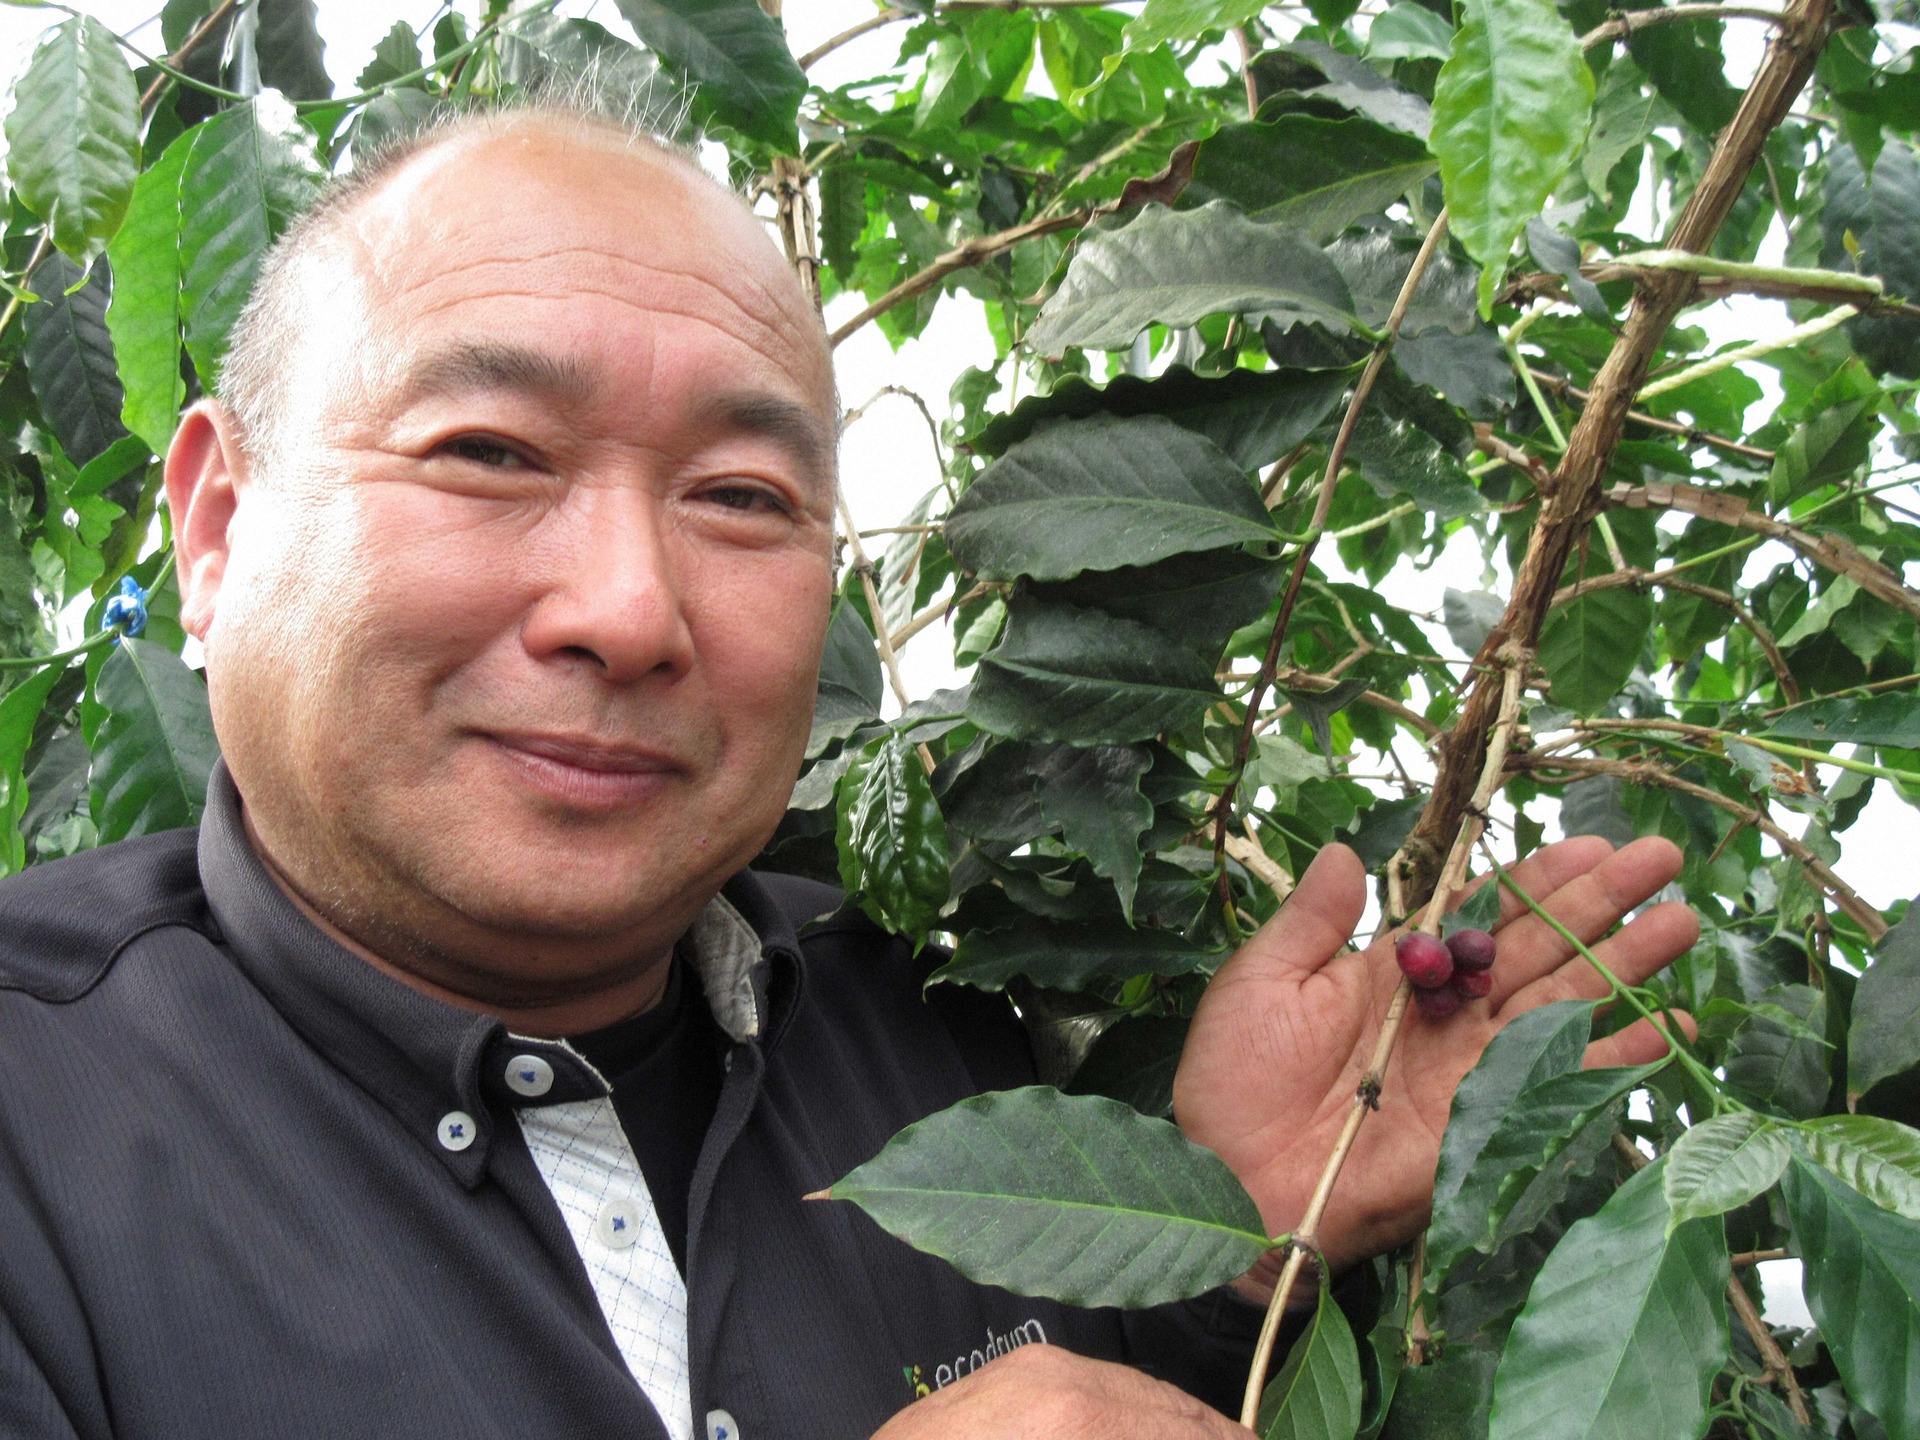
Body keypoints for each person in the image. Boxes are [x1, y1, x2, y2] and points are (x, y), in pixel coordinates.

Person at [0, 96, 1698, 1440]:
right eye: (491, 452)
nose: (627, 610)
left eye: (740, 496)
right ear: (219, 529)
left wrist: (1210, 1231)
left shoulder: (942, 1023)